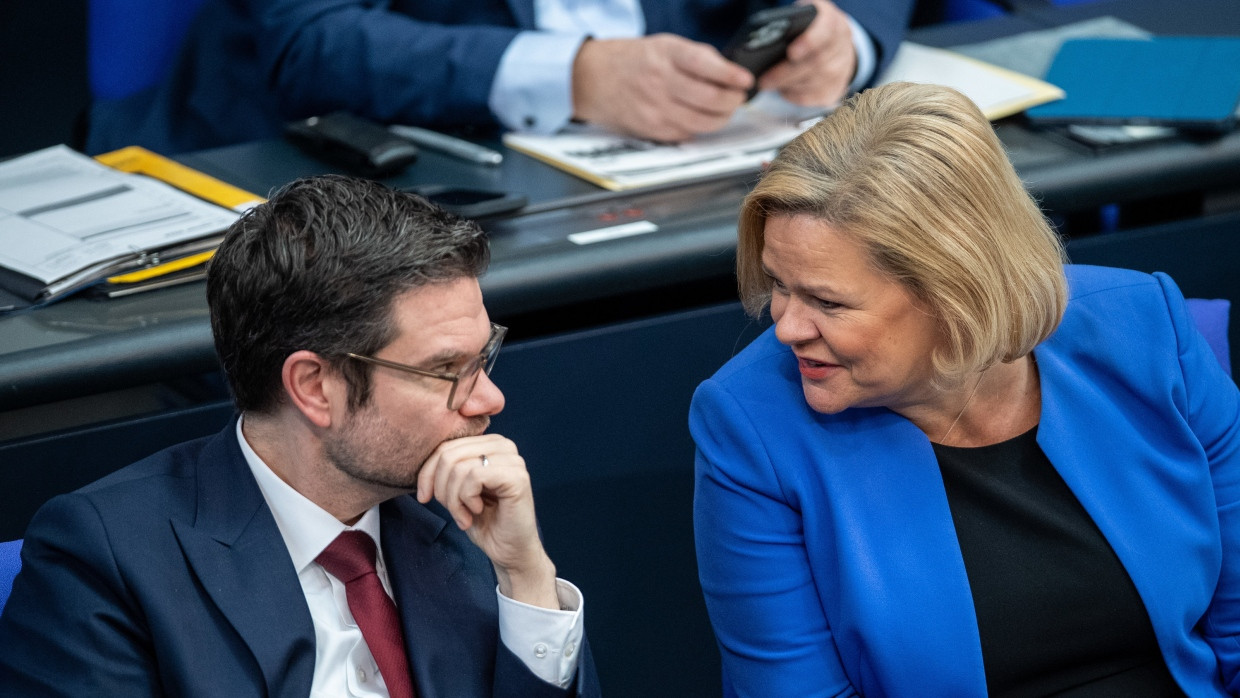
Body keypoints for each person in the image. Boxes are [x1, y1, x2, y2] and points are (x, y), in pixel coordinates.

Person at [691, 81, 1240, 696]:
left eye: (827, 301)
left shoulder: (1145, 328)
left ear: (957, 291)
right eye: (779, 284)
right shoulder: (750, 424)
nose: (786, 327)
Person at [0, 175, 601, 697]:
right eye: (445, 371)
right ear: (315, 387)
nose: (489, 400)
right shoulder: (108, 558)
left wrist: (526, 579)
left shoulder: (468, 521)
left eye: (483, 358)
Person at [85, 0, 913, 155]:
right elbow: (311, 39)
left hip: (706, 163)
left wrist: (844, 36)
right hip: (366, 166)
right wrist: (575, 75)